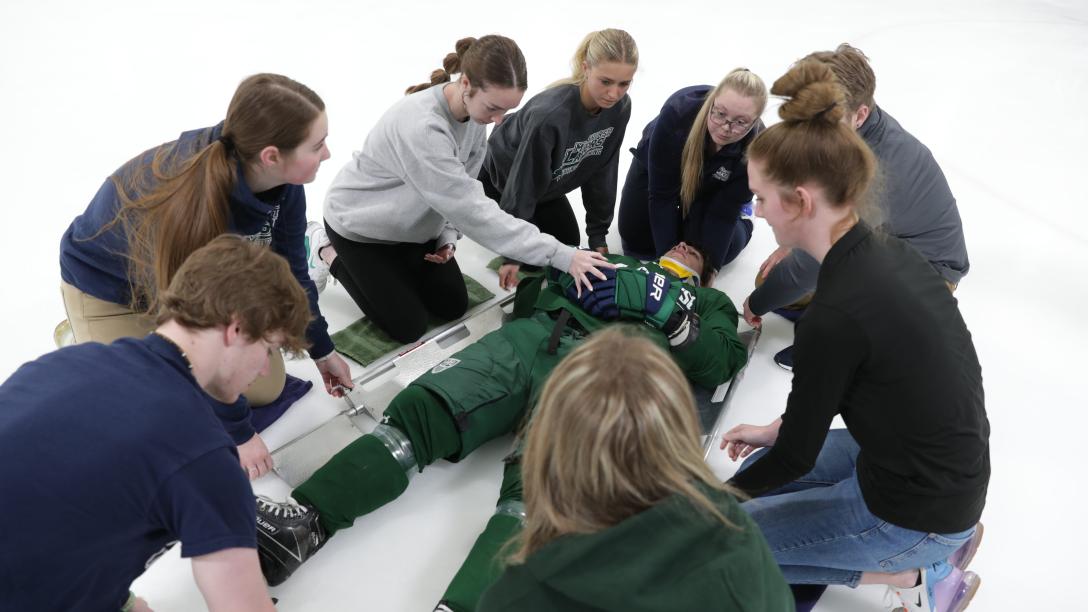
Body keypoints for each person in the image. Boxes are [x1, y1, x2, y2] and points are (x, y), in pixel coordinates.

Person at [255, 241, 749, 612]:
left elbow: (721, 361)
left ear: (705, 275)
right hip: (537, 338)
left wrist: (676, 319)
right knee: (423, 412)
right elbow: (538, 293)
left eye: (696, 252)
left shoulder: (708, 304)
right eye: (680, 242)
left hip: (612, 369)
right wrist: (545, 274)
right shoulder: (609, 259)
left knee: (546, 490)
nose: (685, 246)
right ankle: (304, 524)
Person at [718, 60, 989, 612]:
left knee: (720, 537)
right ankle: (914, 566)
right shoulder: (884, 251)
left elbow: (795, 457)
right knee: (751, 475)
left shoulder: (835, 315)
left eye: (761, 199)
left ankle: (922, 572)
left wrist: (706, 503)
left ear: (801, 201)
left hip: (920, 513)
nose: (757, 212)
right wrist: (777, 430)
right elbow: (814, 424)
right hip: (925, 465)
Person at [58, 73, 354, 479]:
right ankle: (87, 331)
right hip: (109, 288)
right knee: (146, 418)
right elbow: (195, 328)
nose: (328, 154)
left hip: (175, 285)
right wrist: (238, 433)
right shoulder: (192, 206)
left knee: (264, 386)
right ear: (271, 155)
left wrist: (322, 350)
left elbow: (292, 273)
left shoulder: (284, 182)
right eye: (317, 145)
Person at [2, 235, 311, 611]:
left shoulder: (65, 364)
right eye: (267, 347)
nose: (265, 368)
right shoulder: (202, 454)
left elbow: (55, 510)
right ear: (236, 329)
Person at [310, 35, 612, 344]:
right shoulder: (422, 127)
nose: (497, 122)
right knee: (407, 326)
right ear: (466, 83)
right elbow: (474, 211)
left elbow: (466, 187)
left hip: (412, 227)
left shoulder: (473, 116)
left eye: (506, 111)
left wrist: (447, 236)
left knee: (453, 305)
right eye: (493, 108)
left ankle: (394, 268)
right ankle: (324, 249)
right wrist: (562, 255)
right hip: (362, 228)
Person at [475, 328, 793, 611]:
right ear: (680, 434)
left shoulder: (516, 597)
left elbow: (724, 351)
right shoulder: (738, 537)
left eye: (694, 254)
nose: (682, 255)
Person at [742, 44, 970, 370]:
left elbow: (811, 264)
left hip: (927, 271)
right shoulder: (848, 133)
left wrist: (756, 305)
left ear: (860, 115)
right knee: (773, 283)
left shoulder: (875, 168)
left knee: (783, 293)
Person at [479, 29, 637, 290]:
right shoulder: (550, 114)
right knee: (537, 259)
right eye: (606, 81)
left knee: (570, 247)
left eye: (624, 84)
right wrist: (512, 254)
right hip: (502, 182)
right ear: (586, 68)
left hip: (547, 185)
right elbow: (523, 184)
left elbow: (603, 168)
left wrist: (598, 233)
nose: (614, 93)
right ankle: (491, 210)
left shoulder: (620, 108)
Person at [618, 68, 768, 277]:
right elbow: (662, 196)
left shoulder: (756, 148)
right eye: (720, 114)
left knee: (717, 255)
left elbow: (722, 216)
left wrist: (710, 272)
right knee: (637, 242)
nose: (726, 127)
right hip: (661, 172)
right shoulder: (678, 112)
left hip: (714, 185)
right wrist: (668, 263)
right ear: (711, 104)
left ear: (754, 122)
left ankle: (744, 218)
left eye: (740, 122)